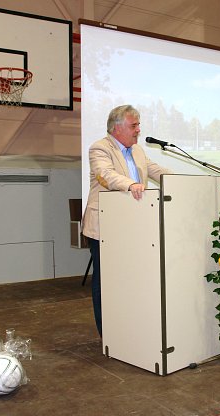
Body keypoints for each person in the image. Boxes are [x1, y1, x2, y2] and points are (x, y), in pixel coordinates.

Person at [81, 105, 171, 336]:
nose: (138, 130)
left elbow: (156, 170)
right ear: (117, 128)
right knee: (106, 281)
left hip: (134, 226)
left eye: (138, 125)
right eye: (134, 125)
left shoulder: (138, 150)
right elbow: (105, 175)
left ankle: (129, 328)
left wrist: (182, 181)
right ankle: (107, 333)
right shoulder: (100, 148)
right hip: (105, 227)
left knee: (132, 278)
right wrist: (130, 185)